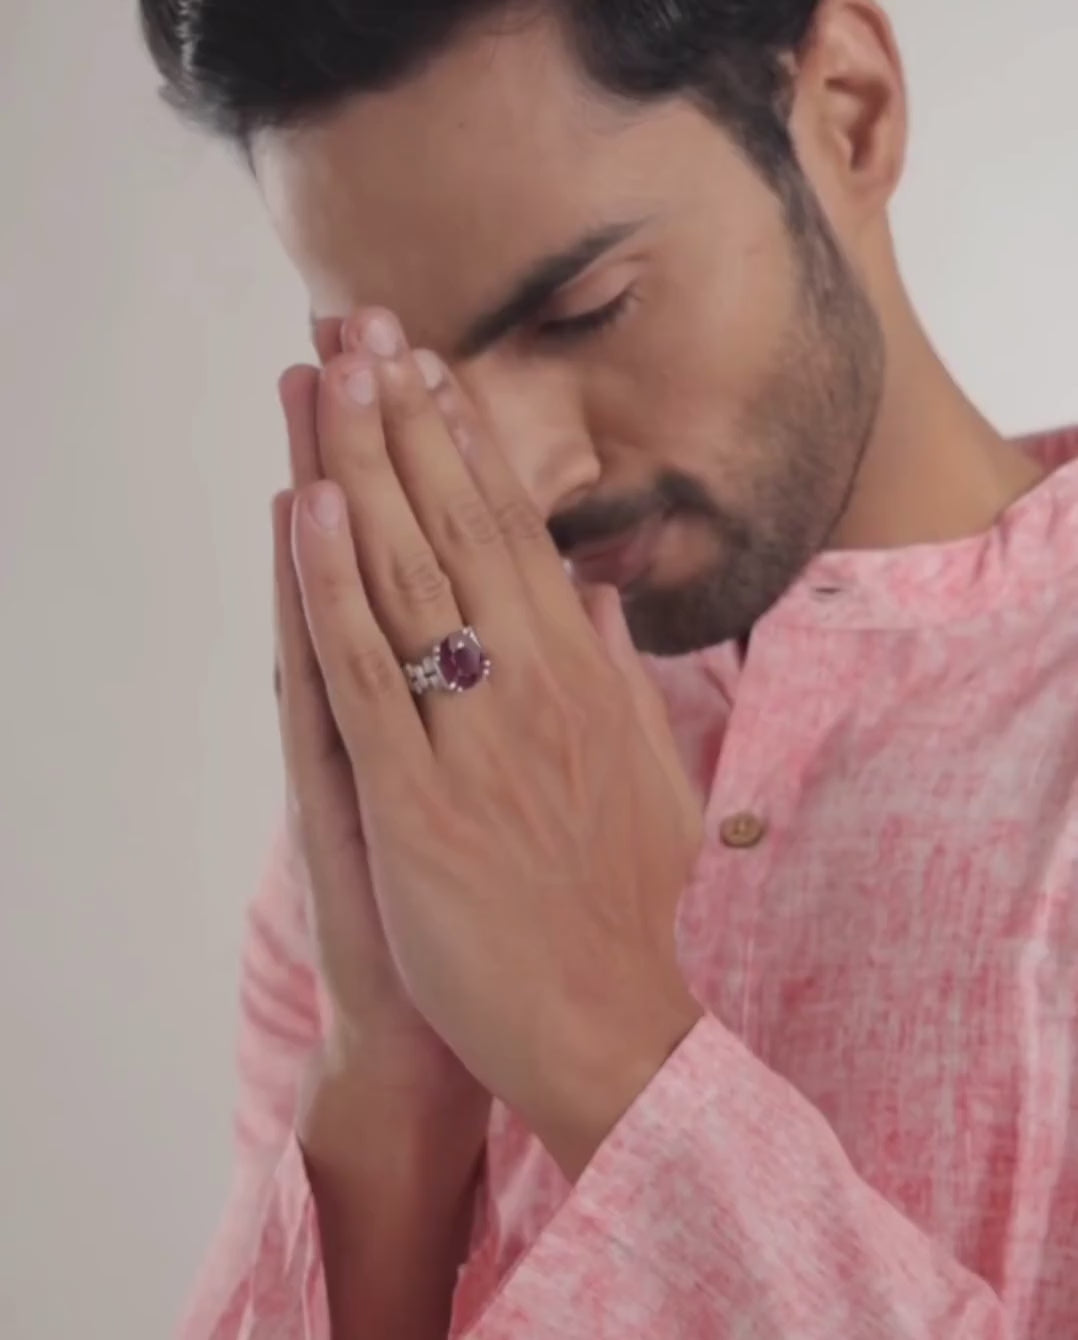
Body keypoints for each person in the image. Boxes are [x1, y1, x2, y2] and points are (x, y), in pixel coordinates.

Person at [140, 0, 1078, 1335]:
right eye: (406, 381)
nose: (522, 475)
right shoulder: (438, 782)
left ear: (848, 116)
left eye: (582, 312)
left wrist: (612, 1055)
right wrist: (389, 1089)